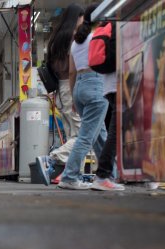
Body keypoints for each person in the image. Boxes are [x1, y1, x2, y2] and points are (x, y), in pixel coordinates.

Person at [58, 4, 108, 190]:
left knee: (100, 135)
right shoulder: (98, 36)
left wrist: (73, 98)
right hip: (96, 84)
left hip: (79, 86)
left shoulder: (76, 42)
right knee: (86, 137)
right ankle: (70, 176)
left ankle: (109, 175)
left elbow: (72, 73)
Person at [46, 4, 84, 140]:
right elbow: (73, 70)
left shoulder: (56, 38)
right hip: (70, 86)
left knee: (71, 135)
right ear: (76, 18)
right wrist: (75, 94)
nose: (83, 22)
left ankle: (68, 161)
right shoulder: (73, 38)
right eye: (82, 19)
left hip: (59, 88)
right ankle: (50, 159)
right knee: (80, 136)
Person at [92, 66, 124, 191]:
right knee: (116, 132)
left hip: (108, 87)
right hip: (119, 85)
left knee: (112, 132)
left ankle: (107, 175)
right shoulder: (115, 45)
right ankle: (102, 175)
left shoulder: (75, 47)